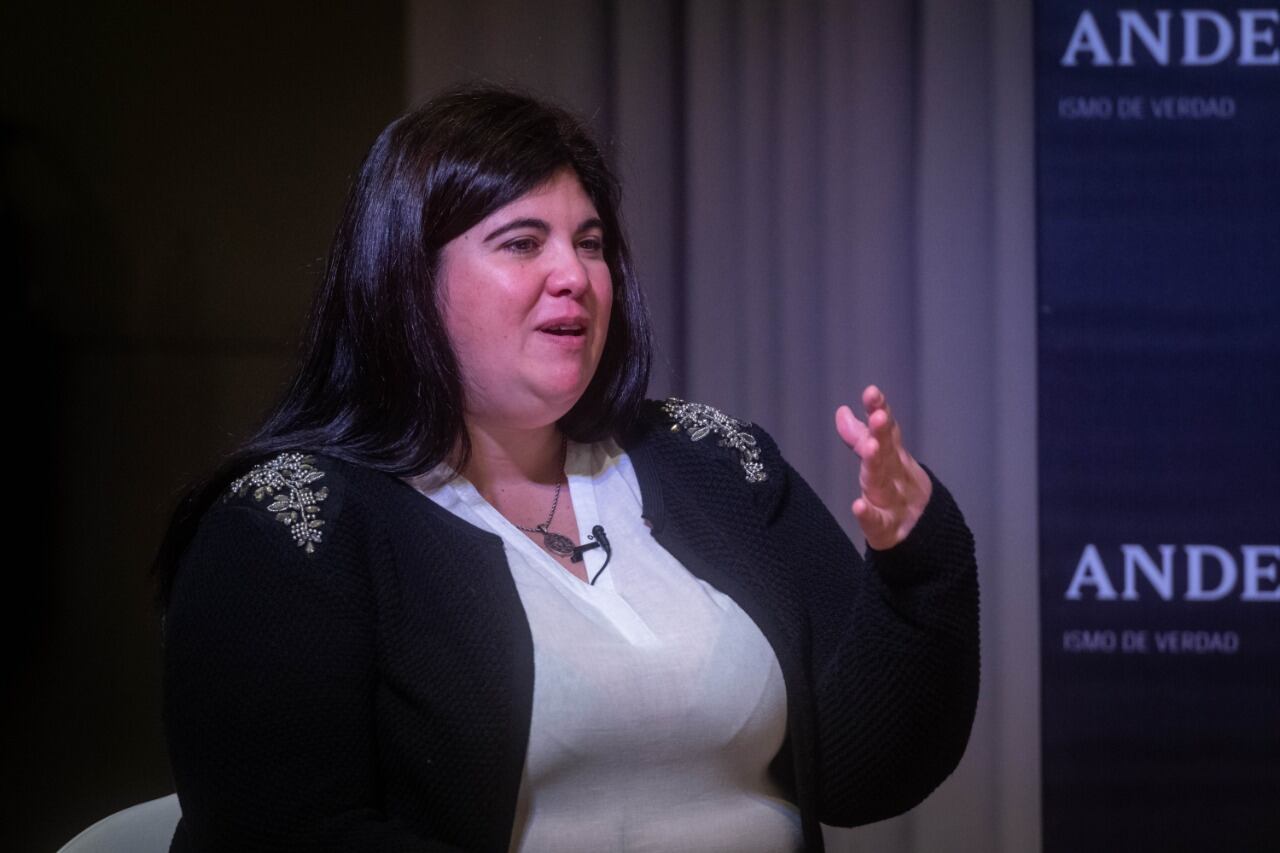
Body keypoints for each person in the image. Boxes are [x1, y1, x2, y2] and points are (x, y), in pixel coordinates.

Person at [156, 85, 979, 853]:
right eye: (522, 243)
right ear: (407, 278)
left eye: (589, 243)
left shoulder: (715, 459)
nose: (574, 277)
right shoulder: (286, 527)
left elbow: (870, 771)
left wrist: (914, 556)